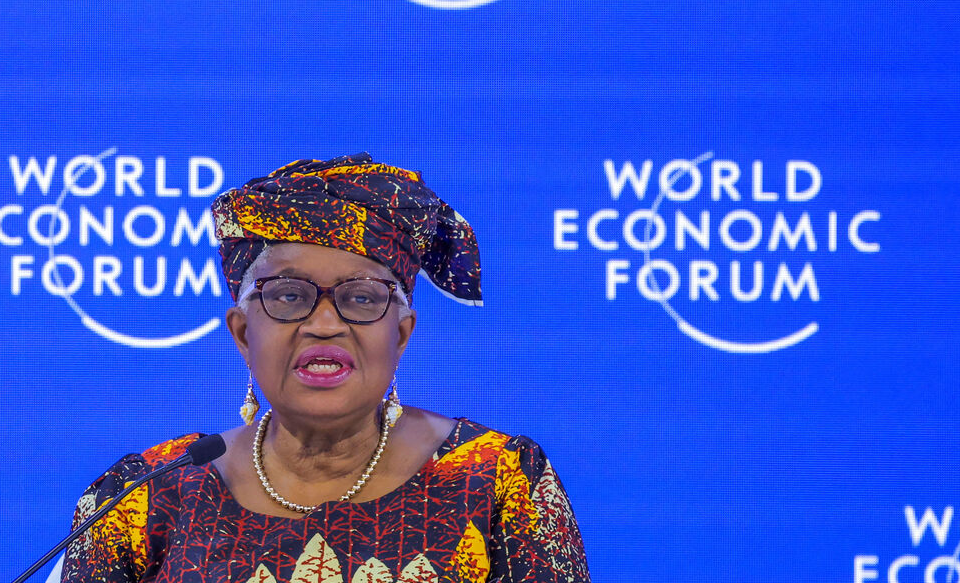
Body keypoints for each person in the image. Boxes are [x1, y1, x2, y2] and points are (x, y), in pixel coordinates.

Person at [60, 154, 589, 583]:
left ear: (401, 333)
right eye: (289, 296)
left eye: (360, 298)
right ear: (243, 333)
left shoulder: (497, 482)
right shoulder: (145, 496)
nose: (324, 323)